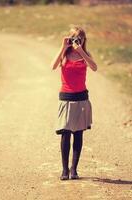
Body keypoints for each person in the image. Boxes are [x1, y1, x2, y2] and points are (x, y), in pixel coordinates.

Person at [51, 25, 98, 180]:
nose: (77, 40)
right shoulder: (64, 54)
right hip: (66, 97)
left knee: (78, 134)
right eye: (74, 38)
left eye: (80, 38)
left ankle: (74, 170)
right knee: (65, 133)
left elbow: (95, 67)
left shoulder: (85, 55)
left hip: (81, 98)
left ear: (84, 40)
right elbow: (53, 66)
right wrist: (62, 46)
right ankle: (64, 170)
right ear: (69, 38)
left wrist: (81, 51)